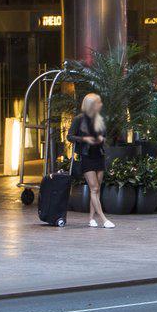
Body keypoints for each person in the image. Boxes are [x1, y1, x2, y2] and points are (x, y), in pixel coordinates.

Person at [68, 92, 112, 229]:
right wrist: (84, 139)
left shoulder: (99, 119)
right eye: (98, 102)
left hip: (99, 155)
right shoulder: (79, 119)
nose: (101, 105)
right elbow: (69, 136)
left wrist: (101, 139)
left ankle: (91, 218)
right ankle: (104, 219)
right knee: (94, 188)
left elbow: (104, 136)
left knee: (97, 189)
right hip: (86, 157)